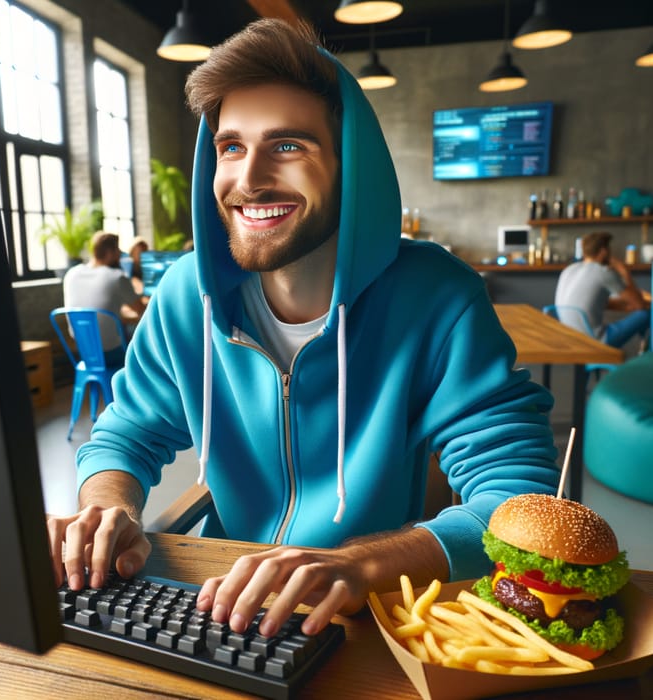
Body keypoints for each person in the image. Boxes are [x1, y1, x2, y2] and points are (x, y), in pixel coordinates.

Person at [47, 20, 558, 640]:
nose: (250, 177)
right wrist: (108, 511)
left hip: (366, 610)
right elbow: (125, 435)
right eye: (231, 147)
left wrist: (356, 564)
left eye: (288, 145)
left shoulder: (438, 296)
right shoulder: (185, 294)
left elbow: (519, 505)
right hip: (220, 598)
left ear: (352, 166)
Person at [63, 231, 147, 365]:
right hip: (112, 353)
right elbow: (142, 312)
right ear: (109, 252)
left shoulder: (71, 274)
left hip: (84, 352)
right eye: (118, 250)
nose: (120, 254)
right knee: (140, 331)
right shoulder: (117, 277)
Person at [555, 231, 650, 349]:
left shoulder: (568, 270)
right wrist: (623, 270)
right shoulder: (604, 272)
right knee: (648, 314)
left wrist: (632, 306)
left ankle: (642, 350)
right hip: (595, 341)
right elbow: (639, 304)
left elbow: (595, 304)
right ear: (604, 251)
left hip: (569, 337)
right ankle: (646, 357)